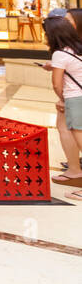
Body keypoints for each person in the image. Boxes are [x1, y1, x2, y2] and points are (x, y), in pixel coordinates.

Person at [45, 16, 82, 201]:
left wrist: (62, 99)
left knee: (80, 140)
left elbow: (56, 84)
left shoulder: (59, 54)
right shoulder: (77, 49)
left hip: (75, 99)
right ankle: (75, 172)